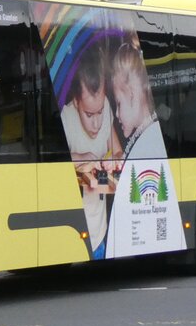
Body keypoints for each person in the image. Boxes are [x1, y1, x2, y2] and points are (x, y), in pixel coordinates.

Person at [106, 40, 185, 258]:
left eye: (118, 104)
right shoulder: (145, 135)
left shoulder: (146, 141)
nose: (116, 115)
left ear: (132, 94)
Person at [62, 41, 122, 258]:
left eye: (100, 112)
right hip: (73, 232)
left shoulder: (105, 107)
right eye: (89, 115)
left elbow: (118, 152)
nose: (97, 124)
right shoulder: (66, 118)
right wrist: (78, 158)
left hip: (99, 232)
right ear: (76, 102)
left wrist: (114, 160)